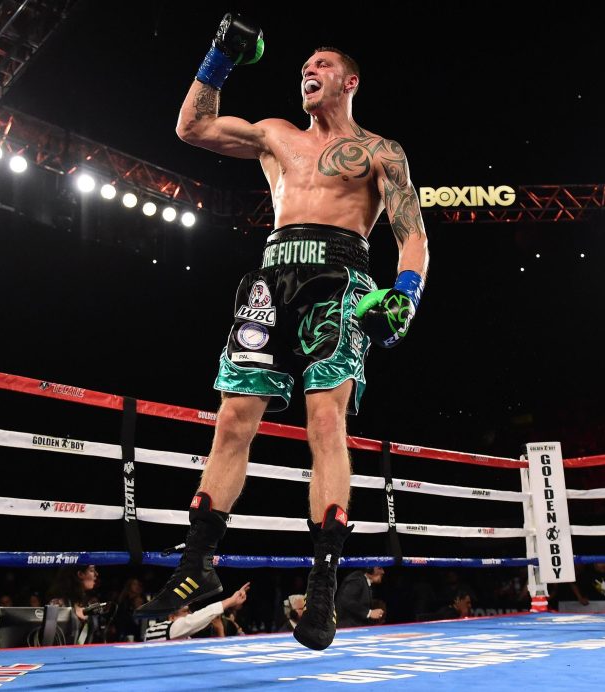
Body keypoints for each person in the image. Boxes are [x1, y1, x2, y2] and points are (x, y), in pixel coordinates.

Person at [134, 12, 429, 656]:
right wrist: (219, 58)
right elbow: (192, 127)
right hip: (273, 277)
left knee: (326, 425)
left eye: (321, 65)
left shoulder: (381, 151)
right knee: (233, 420)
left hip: (340, 280)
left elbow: (411, 233)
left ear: (350, 80)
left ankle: (322, 585)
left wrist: (404, 297)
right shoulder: (275, 135)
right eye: (305, 67)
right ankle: (196, 565)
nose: (309, 72)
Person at [144, 584, 250, 642]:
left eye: (190, 611)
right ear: (171, 617)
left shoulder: (187, 639)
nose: (190, 615)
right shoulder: (155, 631)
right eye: (185, 612)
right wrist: (230, 601)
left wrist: (219, 629)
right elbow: (195, 619)